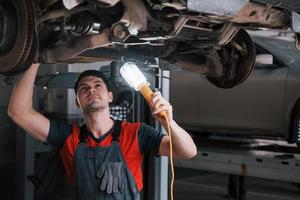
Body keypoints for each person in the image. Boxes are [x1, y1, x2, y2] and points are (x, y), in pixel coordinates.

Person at [8, 63, 197, 200]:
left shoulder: (135, 133)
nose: (91, 90)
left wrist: (169, 123)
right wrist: (34, 60)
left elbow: (188, 151)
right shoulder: (68, 137)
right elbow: (18, 112)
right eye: (84, 88)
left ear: (109, 96)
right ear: (77, 102)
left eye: (98, 85)